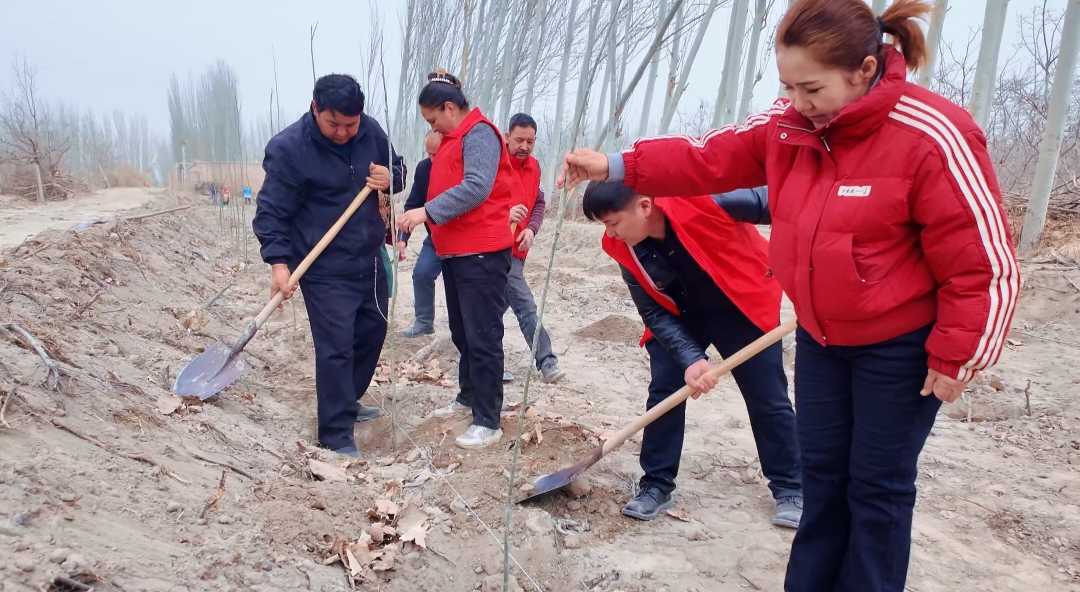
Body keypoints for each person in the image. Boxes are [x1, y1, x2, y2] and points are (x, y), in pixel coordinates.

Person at [558, 1, 1020, 589]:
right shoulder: (789, 125)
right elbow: (707, 156)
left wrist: (958, 354)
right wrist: (616, 163)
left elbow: (984, 262)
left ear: (865, 70)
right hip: (823, 338)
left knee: (875, 486)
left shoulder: (931, 135)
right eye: (788, 87)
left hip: (899, 348)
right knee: (823, 477)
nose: (798, 102)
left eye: (812, 88)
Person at [581, 181, 802, 526]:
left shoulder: (703, 201)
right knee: (664, 391)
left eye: (613, 222)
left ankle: (790, 488)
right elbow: (653, 311)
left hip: (741, 305)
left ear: (644, 206)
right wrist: (690, 358)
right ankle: (656, 484)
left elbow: (782, 202)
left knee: (767, 396)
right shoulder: (622, 247)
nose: (610, 233)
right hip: (679, 314)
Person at [253, 73, 405, 459]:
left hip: (369, 258)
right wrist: (278, 264)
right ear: (315, 108)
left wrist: (390, 177)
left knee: (372, 333)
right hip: (322, 266)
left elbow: (398, 170)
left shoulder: (370, 132)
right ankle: (336, 434)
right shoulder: (289, 148)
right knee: (336, 347)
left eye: (350, 125)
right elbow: (271, 211)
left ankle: (347, 399)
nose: (342, 133)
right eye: (333, 124)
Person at [397, 69, 523, 449]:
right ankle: (468, 396)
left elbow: (476, 187)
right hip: (455, 251)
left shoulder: (479, 133)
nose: (433, 128)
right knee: (462, 332)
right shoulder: (453, 139)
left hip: (481, 251)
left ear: (450, 108)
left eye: (433, 119)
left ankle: (488, 420)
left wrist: (425, 213)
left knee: (483, 335)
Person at [503, 112, 565, 384]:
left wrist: (531, 228)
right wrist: (504, 218)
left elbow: (538, 202)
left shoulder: (534, 167)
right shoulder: (495, 164)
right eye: (519, 140)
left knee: (493, 309)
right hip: (496, 251)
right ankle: (547, 361)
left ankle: (479, 359)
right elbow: (479, 203)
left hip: (519, 250)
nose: (524, 147)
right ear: (507, 136)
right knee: (525, 305)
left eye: (530, 141)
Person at [398, 131, 444, 338]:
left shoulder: (461, 169)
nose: (432, 159)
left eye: (437, 154)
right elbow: (413, 203)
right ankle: (424, 322)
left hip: (461, 241)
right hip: (435, 238)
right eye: (429, 154)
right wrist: (402, 239)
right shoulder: (424, 169)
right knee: (422, 273)